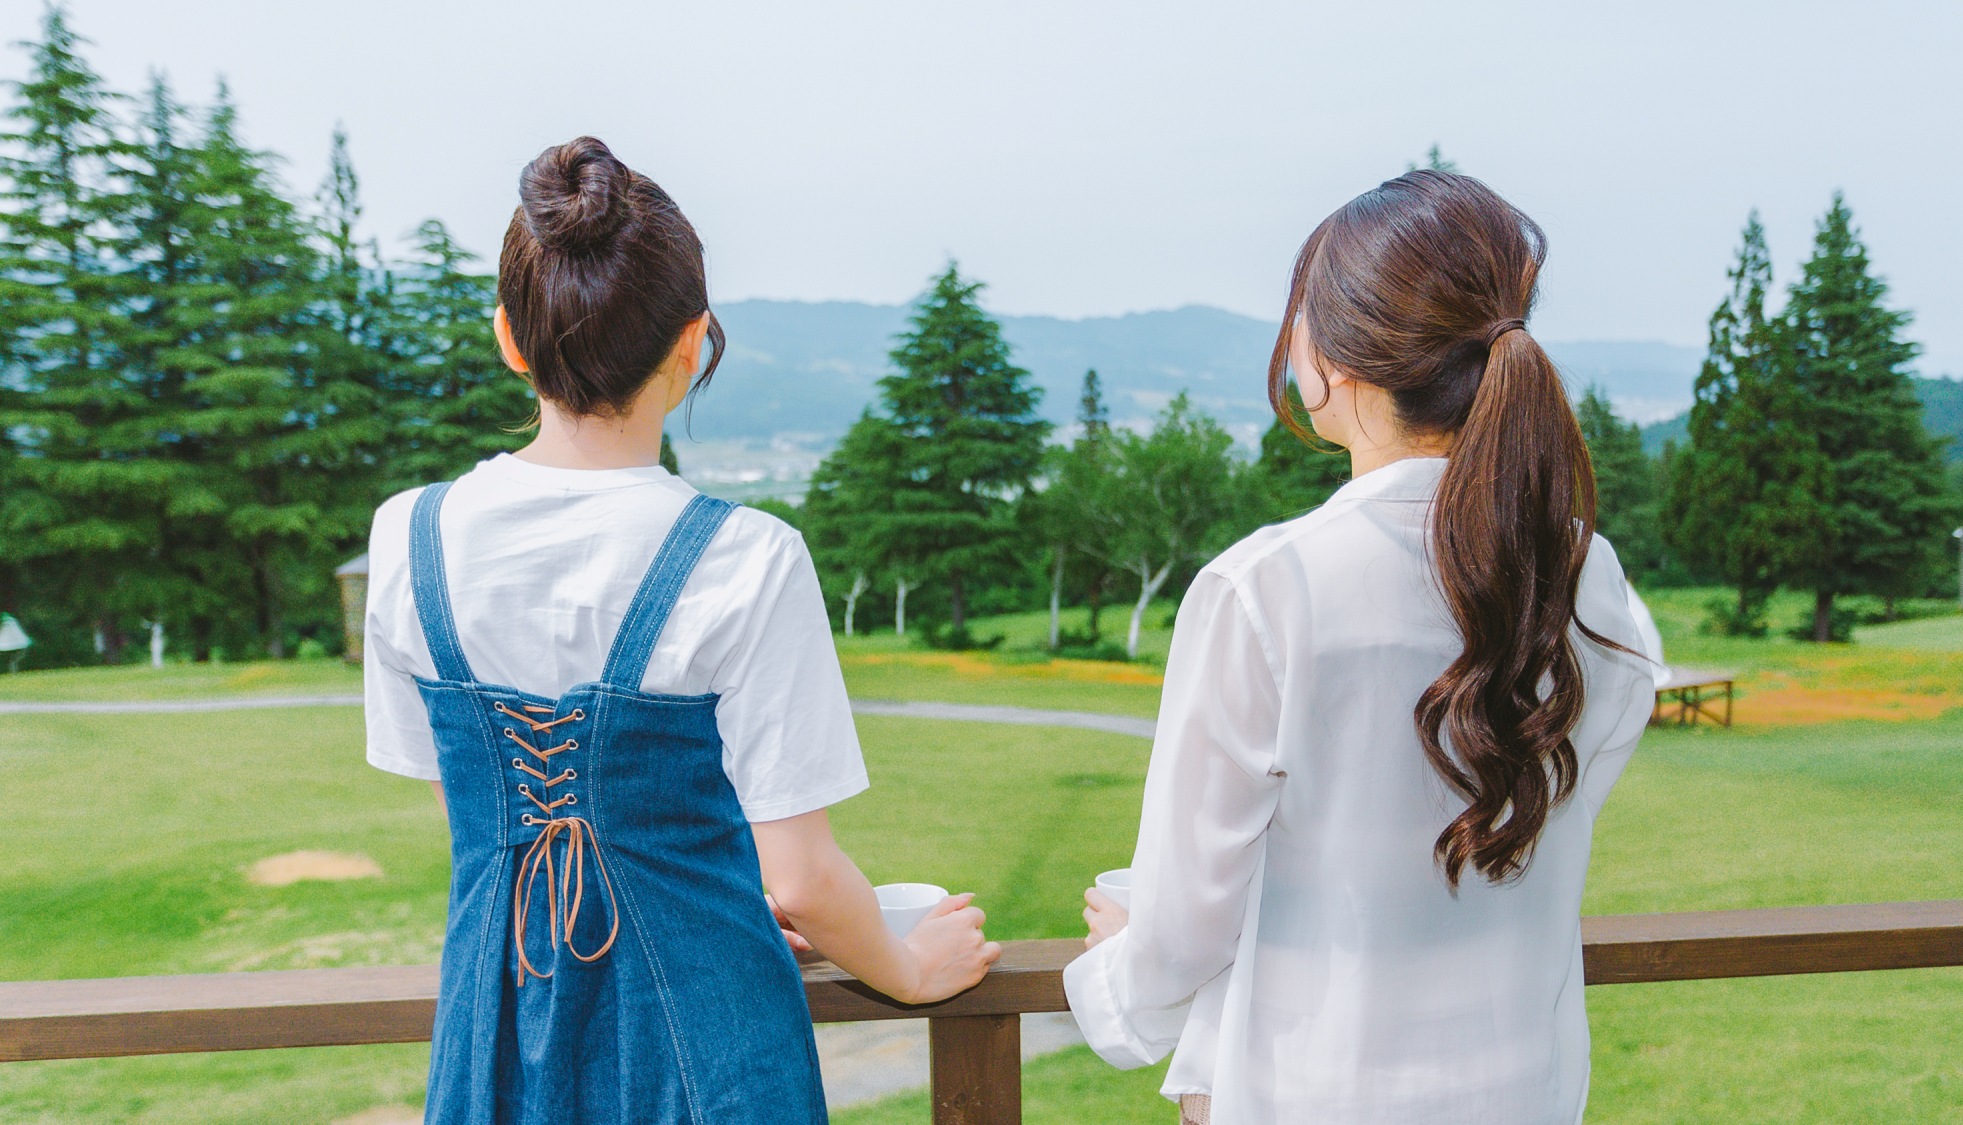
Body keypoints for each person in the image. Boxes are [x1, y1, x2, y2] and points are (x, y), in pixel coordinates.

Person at [363, 136, 999, 1124]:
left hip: (498, 1031)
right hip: (708, 1044)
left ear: (507, 337)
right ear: (692, 343)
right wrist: (909, 969)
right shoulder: (744, 555)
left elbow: (489, 818)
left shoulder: (410, 534)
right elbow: (801, 876)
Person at [1063, 170, 1655, 1125]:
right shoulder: (1592, 578)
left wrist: (1120, 971)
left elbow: (1184, 918)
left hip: (1312, 1092)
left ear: (1331, 360)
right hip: (1523, 1086)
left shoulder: (1266, 589)